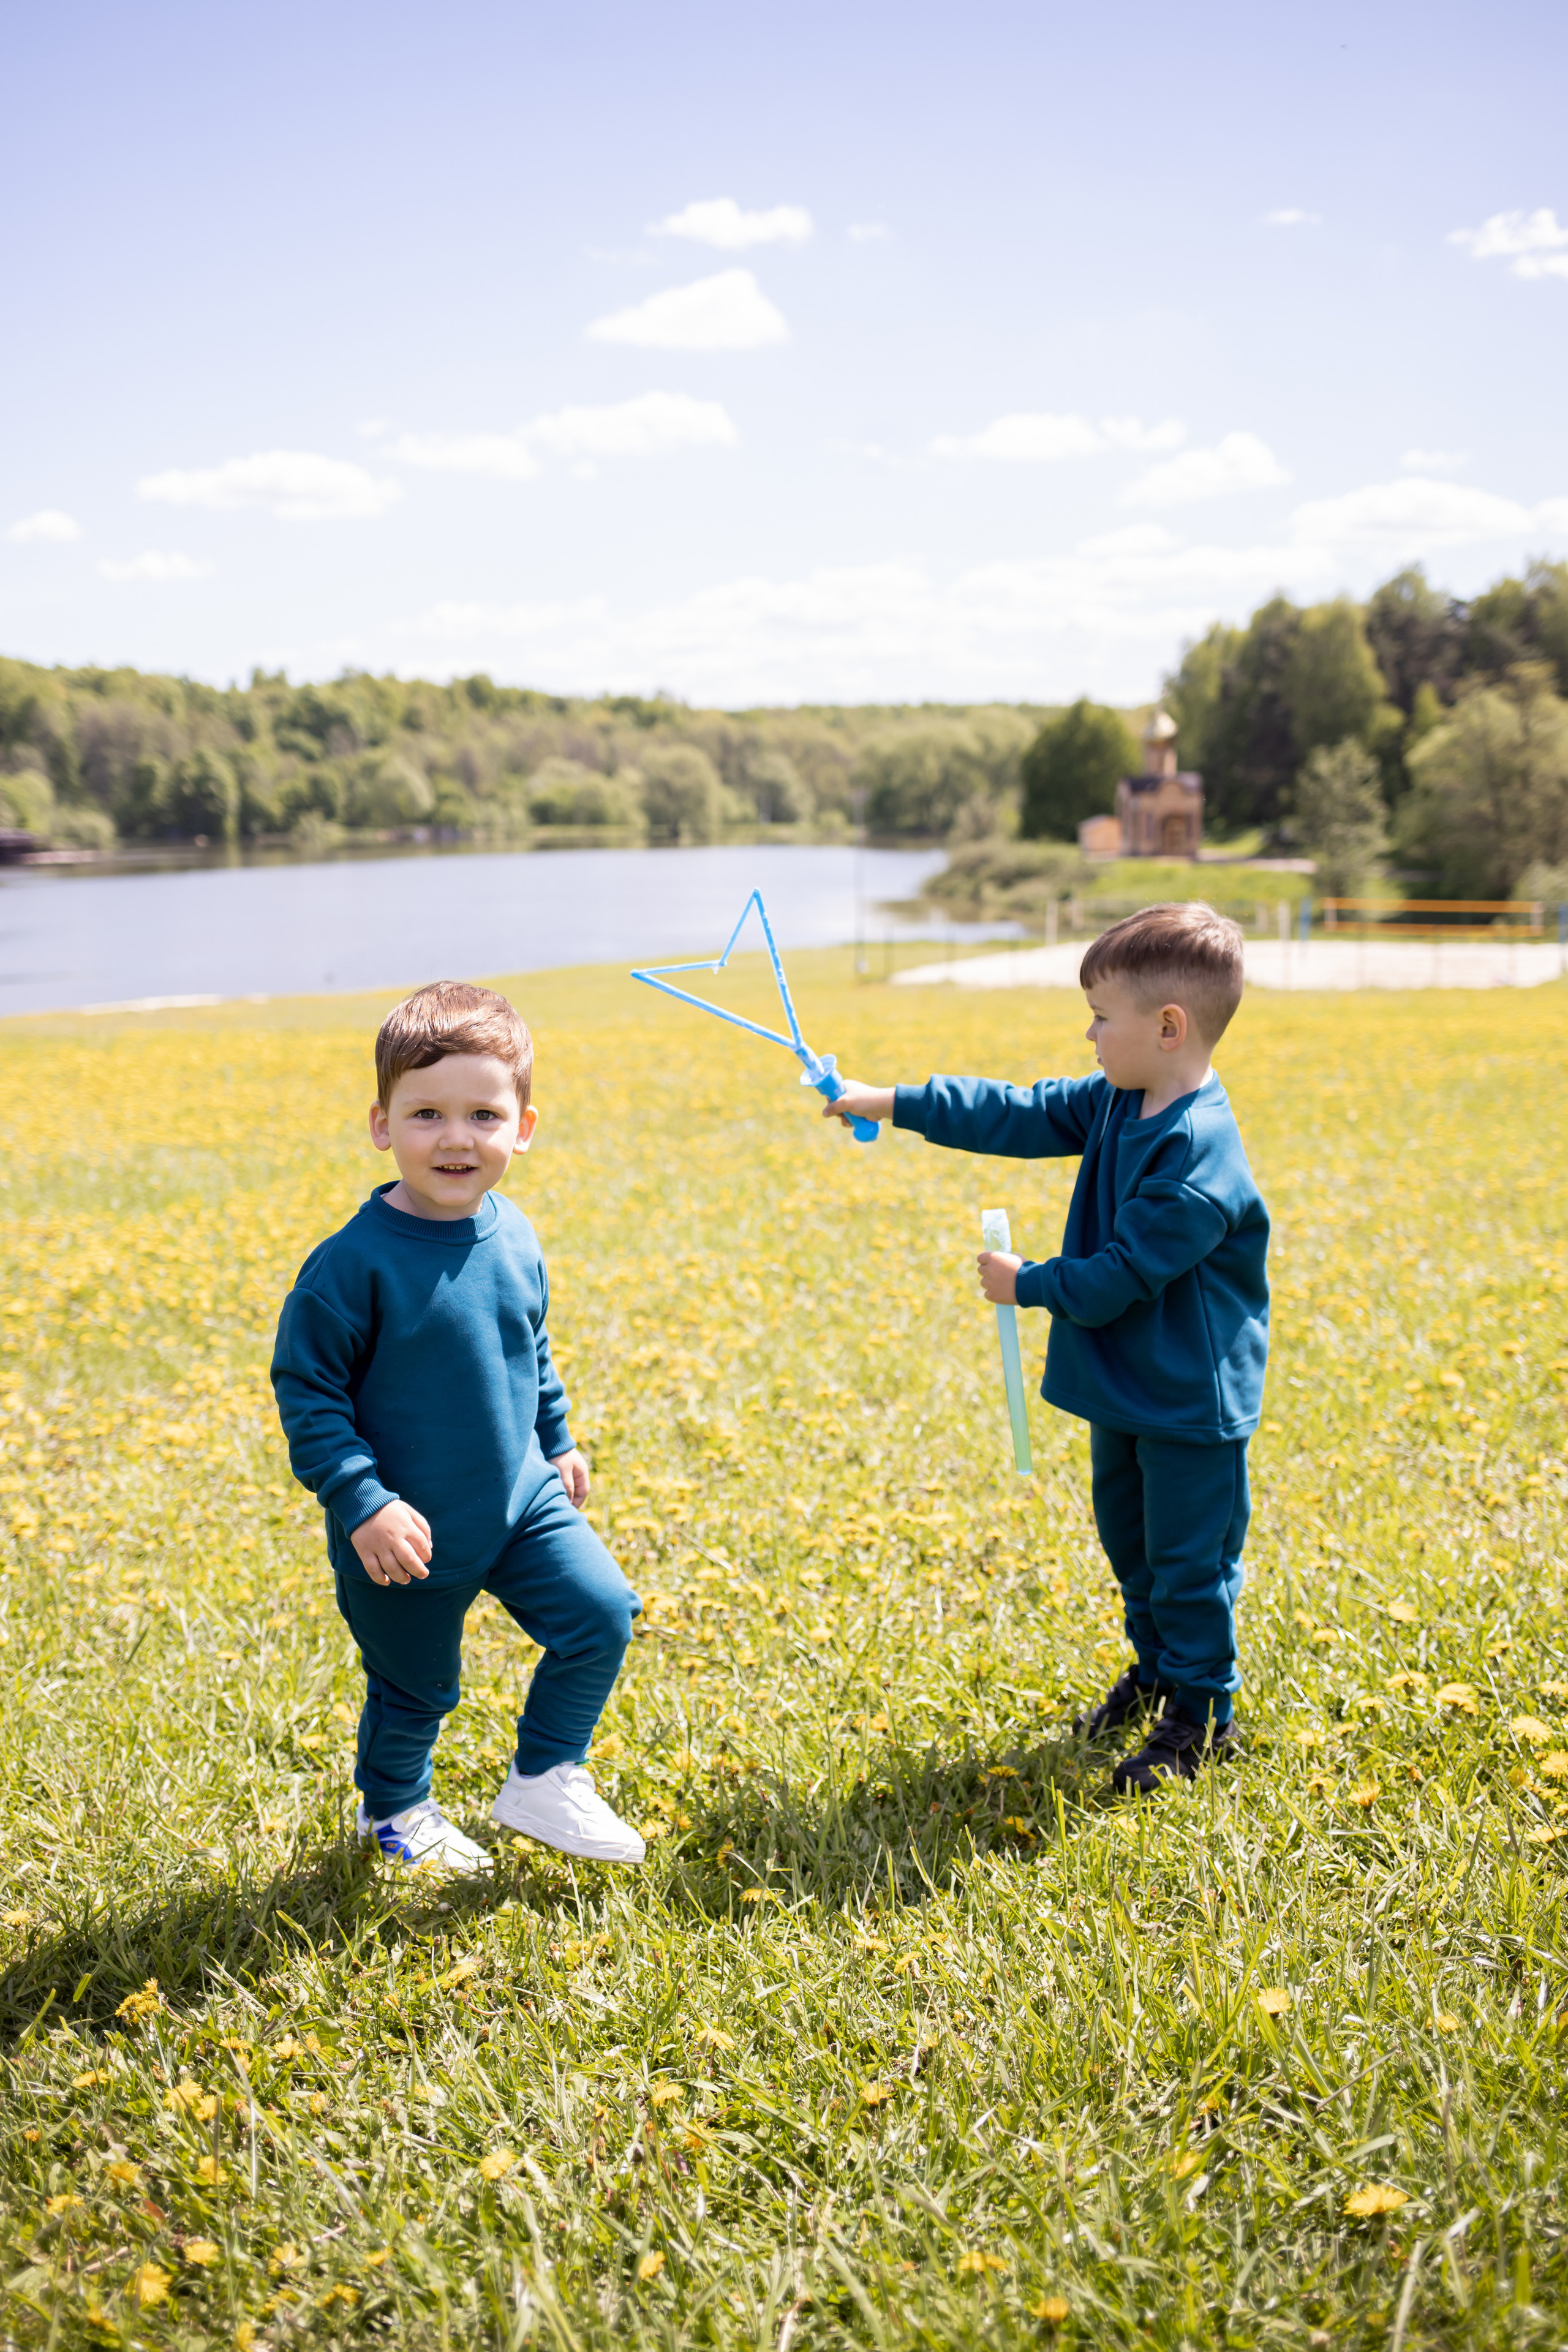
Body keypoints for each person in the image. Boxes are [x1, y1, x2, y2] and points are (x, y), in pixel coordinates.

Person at [826, 903, 1268, 1792]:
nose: (1092, 1034)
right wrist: (891, 1102)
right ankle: (1156, 1674)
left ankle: (1201, 1714)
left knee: (1189, 1564)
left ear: (1169, 1027)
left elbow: (1116, 1277)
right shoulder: (1119, 1098)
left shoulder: (1197, 1158)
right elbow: (1017, 1112)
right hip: (1129, 1388)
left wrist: (1025, 1282)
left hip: (1189, 1404)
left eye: (1104, 1018)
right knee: (1133, 1547)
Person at [271, 979, 644, 1869]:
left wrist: (556, 1439)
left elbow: (531, 1344)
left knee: (602, 1615)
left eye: (483, 1115)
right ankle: (394, 1811)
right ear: (381, 1125)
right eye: (427, 1113)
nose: (454, 1137)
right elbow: (307, 1393)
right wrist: (364, 1503)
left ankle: (546, 1778)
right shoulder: (351, 1266)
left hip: (518, 1499)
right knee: (419, 1688)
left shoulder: (514, 1233)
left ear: (522, 1128)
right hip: (405, 1533)